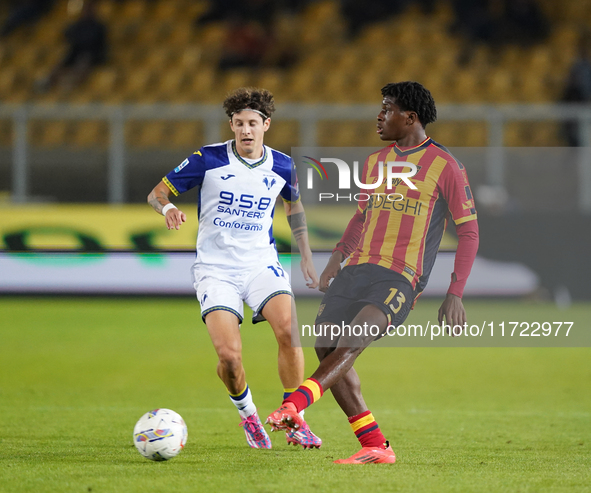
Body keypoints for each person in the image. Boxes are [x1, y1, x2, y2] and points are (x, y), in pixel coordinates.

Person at [266, 81, 479, 463]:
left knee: (351, 342)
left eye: (387, 109)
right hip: (358, 268)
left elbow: (469, 230)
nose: (378, 116)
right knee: (326, 346)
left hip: (401, 276)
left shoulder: (445, 166)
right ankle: (374, 445)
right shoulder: (375, 162)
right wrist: (335, 260)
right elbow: (362, 216)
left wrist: (455, 292)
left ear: (409, 117)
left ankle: (294, 406)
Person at [147, 87, 322, 450]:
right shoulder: (207, 159)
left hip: (261, 264)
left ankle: (294, 417)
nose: (245, 130)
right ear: (231, 125)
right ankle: (249, 416)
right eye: (239, 123)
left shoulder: (283, 165)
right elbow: (156, 193)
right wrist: (167, 209)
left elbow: (294, 206)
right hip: (215, 269)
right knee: (229, 357)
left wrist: (305, 252)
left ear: (266, 125)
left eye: (252, 123)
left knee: (289, 330)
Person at [35, 0, 107, 92]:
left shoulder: (98, 26)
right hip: (76, 51)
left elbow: (98, 43)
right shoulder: (78, 25)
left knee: (83, 62)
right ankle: (47, 82)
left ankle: (71, 86)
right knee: (61, 62)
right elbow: (67, 36)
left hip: (92, 53)